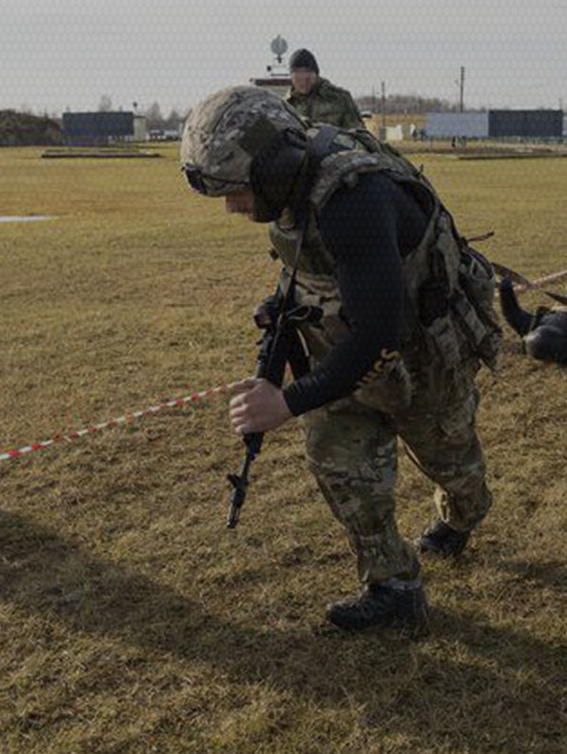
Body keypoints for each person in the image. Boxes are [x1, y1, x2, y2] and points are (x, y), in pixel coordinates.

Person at [180, 86, 502, 635]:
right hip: (351, 342)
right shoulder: (293, 187)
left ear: (274, 167)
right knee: (338, 458)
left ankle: (464, 514)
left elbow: (378, 331)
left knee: (449, 459)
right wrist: (280, 310)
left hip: (421, 347)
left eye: (236, 192)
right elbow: (314, 266)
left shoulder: (353, 199)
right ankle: (394, 585)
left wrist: (285, 402)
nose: (232, 207)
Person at [284, 48, 365, 130]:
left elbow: (359, 135)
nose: (303, 78)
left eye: (308, 71)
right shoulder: (285, 107)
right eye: (298, 73)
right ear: (291, 77)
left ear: (316, 74)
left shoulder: (339, 99)